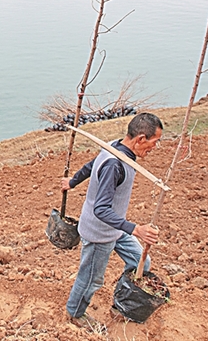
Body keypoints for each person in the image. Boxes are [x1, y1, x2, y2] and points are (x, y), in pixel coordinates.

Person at [61, 113, 163, 330]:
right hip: (99, 232)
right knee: (91, 278)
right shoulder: (114, 164)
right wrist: (136, 229)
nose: (155, 147)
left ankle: (124, 303)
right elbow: (101, 209)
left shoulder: (114, 147)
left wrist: (73, 181)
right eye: (155, 142)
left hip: (114, 227)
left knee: (140, 262)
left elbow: (90, 166)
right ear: (141, 139)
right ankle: (75, 313)